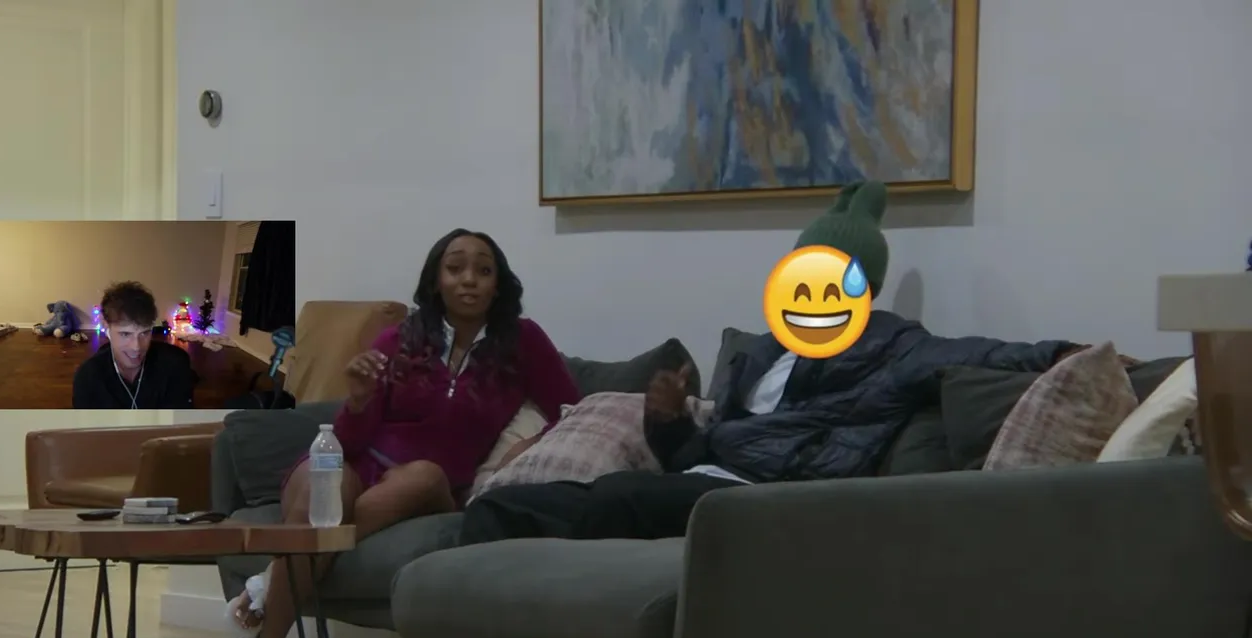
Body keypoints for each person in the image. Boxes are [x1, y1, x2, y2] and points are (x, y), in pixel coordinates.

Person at [459, 180, 1091, 546]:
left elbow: (981, 352)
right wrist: (669, 420)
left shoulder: (895, 346)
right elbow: (695, 454)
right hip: (706, 482)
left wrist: (1062, 352)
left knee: (616, 496)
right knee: (506, 507)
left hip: (775, 501)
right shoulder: (763, 351)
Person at [230, 229, 580, 638]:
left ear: (498, 285)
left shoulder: (523, 342)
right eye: (455, 268)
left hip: (429, 484)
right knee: (321, 489)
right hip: (359, 462)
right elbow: (350, 442)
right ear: (436, 280)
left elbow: (573, 410)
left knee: (423, 474)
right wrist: (358, 400)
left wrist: (529, 444)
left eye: (483, 270)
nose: (469, 279)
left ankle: (270, 581)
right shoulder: (399, 339)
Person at [71, 281, 195, 409]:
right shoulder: (88, 377)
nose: (136, 347)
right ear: (106, 327)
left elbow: (180, 418)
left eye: (144, 333)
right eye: (125, 334)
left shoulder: (175, 364)